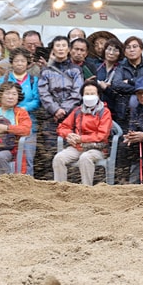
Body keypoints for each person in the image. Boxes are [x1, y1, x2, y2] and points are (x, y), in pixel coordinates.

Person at [36, 35, 84, 181]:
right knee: (49, 148)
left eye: (64, 45)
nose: (61, 48)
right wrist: (55, 109)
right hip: (50, 116)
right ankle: (50, 181)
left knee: (69, 147)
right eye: (58, 46)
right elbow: (43, 92)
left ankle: (69, 181)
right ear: (53, 49)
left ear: (68, 49)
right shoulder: (46, 71)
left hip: (72, 116)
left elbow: (78, 91)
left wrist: (64, 109)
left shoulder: (76, 70)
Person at [53, 82, 113, 185]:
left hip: (97, 148)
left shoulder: (105, 112)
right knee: (59, 158)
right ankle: (60, 187)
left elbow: (102, 135)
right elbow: (62, 127)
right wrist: (69, 135)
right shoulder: (77, 111)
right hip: (77, 147)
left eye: (92, 93)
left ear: (98, 95)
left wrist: (81, 138)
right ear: (82, 96)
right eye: (87, 93)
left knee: (85, 158)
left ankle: (86, 188)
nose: (89, 96)